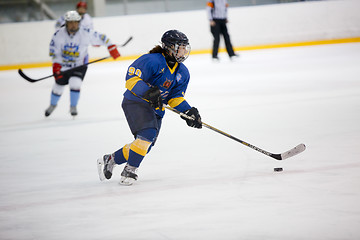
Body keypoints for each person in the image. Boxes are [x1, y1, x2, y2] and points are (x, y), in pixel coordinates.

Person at [97, 30, 202, 186]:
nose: (184, 51)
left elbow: (175, 98)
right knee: (147, 134)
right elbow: (131, 79)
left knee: (146, 144)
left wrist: (187, 111)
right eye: (180, 47)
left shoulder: (183, 72)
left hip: (156, 109)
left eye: (185, 48)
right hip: (136, 101)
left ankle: (110, 159)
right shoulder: (151, 61)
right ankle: (130, 170)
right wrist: (148, 92)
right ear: (169, 47)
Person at [45, 10, 120, 117]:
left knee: (75, 83)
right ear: (66, 23)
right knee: (58, 86)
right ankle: (53, 105)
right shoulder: (58, 35)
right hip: (63, 66)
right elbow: (53, 52)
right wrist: (56, 66)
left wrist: (111, 46)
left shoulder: (86, 33)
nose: (73, 25)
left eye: (75, 22)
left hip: (79, 66)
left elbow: (103, 38)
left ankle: (73, 107)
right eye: (70, 22)